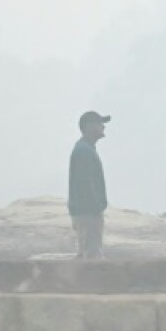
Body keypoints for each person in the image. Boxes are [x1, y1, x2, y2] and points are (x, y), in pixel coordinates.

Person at [68, 110, 110, 259]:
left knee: (85, 256)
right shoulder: (84, 151)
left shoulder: (85, 149)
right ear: (88, 126)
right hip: (88, 214)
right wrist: (96, 208)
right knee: (92, 258)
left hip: (85, 212)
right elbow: (85, 183)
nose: (103, 127)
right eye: (99, 123)